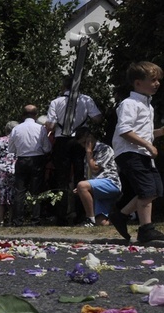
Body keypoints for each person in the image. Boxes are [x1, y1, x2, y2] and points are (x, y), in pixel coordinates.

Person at [110, 61, 164, 243]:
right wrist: (149, 146)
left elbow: (143, 132)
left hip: (141, 151)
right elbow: (125, 130)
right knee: (147, 191)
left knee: (155, 190)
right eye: (153, 80)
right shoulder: (130, 104)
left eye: (158, 80)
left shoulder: (147, 106)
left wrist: (159, 132)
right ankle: (145, 229)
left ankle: (121, 215)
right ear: (138, 82)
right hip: (131, 152)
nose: (157, 83)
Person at [46, 75, 103, 225]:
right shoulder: (86, 99)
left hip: (62, 141)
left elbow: (50, 126)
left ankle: (61, 216)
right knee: (81, 176)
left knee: (62, 179)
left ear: (63, 87)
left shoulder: (56, 102)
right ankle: (81, 214)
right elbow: (97, 118)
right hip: (80, 140)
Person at [9, 105, 52, 227]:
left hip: (22, 159)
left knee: (19, 191)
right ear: (36, 115)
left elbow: (11, 149)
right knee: (36, 191)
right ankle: (35, 219)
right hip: (37, 159)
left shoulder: (16, 129)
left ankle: (18, 220)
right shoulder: (40, 129)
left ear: (23, 115)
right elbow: (47, 148)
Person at [73, 129, 121, 227]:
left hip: (111, 182)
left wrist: (89, 151)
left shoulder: (104, 149)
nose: (84, 146)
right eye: (82, 144)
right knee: (102, 223)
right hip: (98, 186)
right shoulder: (87, 156)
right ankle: (118, 219)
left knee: (82, 185)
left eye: (85, 142)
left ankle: (90, 219)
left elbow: (95, 169)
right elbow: (89, 176)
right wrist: (82, 188)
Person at [0, 121, 19, 226]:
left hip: (2, 169)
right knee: (13, 193)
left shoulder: (0, 140)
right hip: (14, 168)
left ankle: (1, 219)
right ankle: (11, 219)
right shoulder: (18, 140)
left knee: (0, 193)